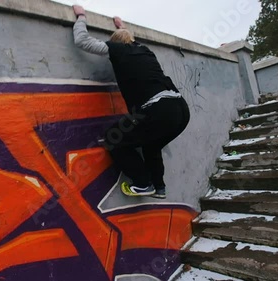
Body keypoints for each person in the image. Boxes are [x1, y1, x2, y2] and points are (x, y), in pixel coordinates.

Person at [72, 5, 190, 199]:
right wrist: (121, 26)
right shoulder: (145, 51)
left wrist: (81, 16)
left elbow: (82, 40)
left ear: (116, 43)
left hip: (158, 110)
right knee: (151, 145)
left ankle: (143, 183)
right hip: (180, 110)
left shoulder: (116, 49)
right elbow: (130, 39)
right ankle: (159, 187)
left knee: (113, 138)